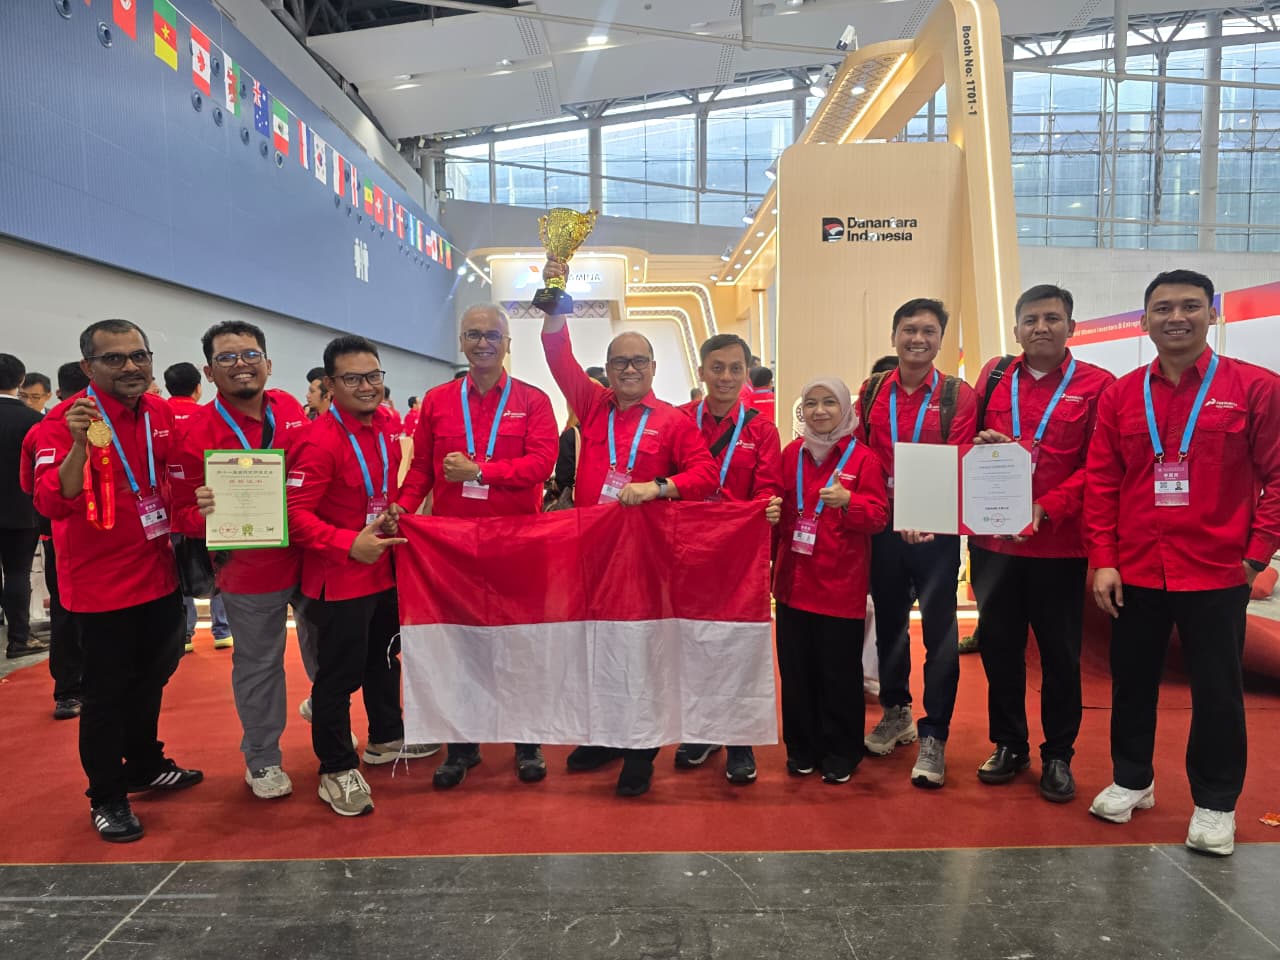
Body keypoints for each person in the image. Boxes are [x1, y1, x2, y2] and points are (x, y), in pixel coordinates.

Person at [1085, 269, 1280, 856]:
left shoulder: (1256, 388)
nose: (1176, 318)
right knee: (1132, 682)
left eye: (1190, 306)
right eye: (1163, 308)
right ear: (1144, 320)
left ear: (1212, 314)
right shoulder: (1122, 395)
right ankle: (1132, 779)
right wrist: (1104, 559)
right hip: (1137, 568)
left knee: (1218, 690)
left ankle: (1216, 803)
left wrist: (1255, 556)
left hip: (1218, 571)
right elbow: (1103, 481)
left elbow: (1278, 478)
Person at [540, 259, 718, 797]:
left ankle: (641, 750)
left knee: (639, 652)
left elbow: (705, 476)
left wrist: (659, 486)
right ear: (609, 369)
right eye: (620, 362)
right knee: (596, 647)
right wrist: (554, 300)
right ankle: (607, 737)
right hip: (593, 552)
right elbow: (559, 358)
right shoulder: (593, 408)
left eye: (639, 361)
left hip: (645, 559)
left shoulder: (674, 421)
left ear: (654, 368)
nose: (630, 370)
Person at [32, 319, 201, 842]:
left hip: (158, 573)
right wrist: (79, 446)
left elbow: (181, 470)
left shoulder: (159, 413)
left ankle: (145, 764)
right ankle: (106, 795)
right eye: (114, 358)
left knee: (152, 678)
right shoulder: (62, 422)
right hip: (99, 587)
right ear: (88, 366)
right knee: (105, 696)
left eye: (138, 356)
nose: (130, 366)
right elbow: (52, 501)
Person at [397, 303, 559, 788]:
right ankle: (462, 746)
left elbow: (542, 464)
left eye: (492, 335)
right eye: (473, 334)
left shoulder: (533, 401)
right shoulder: (437, 401)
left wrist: (481, 472)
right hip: (453, 548)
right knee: (459, 645)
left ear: (507, 343)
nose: (483, 342)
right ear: (462, 342)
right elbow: (422, 469)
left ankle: (526, 741)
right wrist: (402, 507)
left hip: (518, 546)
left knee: (519, 645)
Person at [968, 285, 1115, 803]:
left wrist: (1045, 506)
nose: (1041, 328)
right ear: (1016, 330)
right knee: (1000, 650)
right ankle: (1009, 744)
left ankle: (1058, 754)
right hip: (993, 545)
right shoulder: (993, 377)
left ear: (1071, 327)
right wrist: (982, 446)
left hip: (1058, 547)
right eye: (1030, 320)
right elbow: (965, 444)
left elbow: (1099, 467)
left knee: (1059, 656)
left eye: (1053, 318)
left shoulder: (1098, 385)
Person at [286, 335, 434, 817]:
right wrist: (348, 543)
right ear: (330, 385)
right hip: (340, 578)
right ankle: (335, 768)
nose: (367, 386)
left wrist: (397, 509)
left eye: (373, 376)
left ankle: (386, 737)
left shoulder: (387, 426)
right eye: (353, 379)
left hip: (384, 570)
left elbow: (394, 485)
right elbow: (293, 515)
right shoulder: (318, 441)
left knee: (385, 659)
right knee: (338, 677)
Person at [169, 321, 316, 800]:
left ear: (268, 363)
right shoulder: (192, 432)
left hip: (312, 558)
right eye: (227, 358)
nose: (241, 364)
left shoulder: (290, 409)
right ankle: (262, 758)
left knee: (328, 655)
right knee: (259, 666)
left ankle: (329, 722)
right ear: (209, 372)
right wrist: (203, 513)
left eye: (250, 354)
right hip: (248, 571)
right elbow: (179, 513)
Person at [859, 298, 977, 789]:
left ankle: (935, 733)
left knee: (940, 632)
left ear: (940, 340)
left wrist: (924, 513)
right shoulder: (871, 391)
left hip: (935, 529)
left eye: (929, 331)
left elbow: (959, 456)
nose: (918, 339)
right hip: (884, 525)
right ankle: (897, 711)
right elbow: (861, 454)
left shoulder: (956, 394)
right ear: (894, 336)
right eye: (909, 329)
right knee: (889, 626)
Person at [671, 333, 783, 784]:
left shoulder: (761, 430)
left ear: (746, 373)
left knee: (739, 646)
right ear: (701, 371)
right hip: (687, 554)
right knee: (693, 643)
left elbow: (767, 487)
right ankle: (701, 731)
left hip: (738, 558)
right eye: (717, 368)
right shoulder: (679, 421)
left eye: (736, 369)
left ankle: (740, 740)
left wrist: (766, 508)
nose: (726, 377)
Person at [766, 378, 888, 783]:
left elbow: (878, 517)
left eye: (829, 403)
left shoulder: (863, 459)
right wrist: (769, 514)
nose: (819, 411)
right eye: (811, 403)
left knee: (838, 673)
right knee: (796, 673)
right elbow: (778, 510)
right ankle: (802, 748)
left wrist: (851, 501)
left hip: (840, 586)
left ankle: (841, 750)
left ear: (845, 409)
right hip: (793, 583)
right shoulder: (790, 454)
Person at [21, 362, 90, 716]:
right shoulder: (52, 427)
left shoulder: (40, 430)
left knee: (66, 611)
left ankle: (68, 691)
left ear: (58, 392)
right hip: (75, 535)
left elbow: (27, 484)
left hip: (58, 537)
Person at [164, 362, 232, 652]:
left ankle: (186, 634)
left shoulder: (160, 418)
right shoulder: (207, 417)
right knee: (219, 569)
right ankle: (222, 630)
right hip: (213, 510)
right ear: (198, 387)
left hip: (174, 513)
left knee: (181, 573)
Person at [0, 354, 46, 658]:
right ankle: (19, 638)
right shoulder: (34, 421)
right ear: (21, 381)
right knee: (18, 573)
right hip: (22, 510)